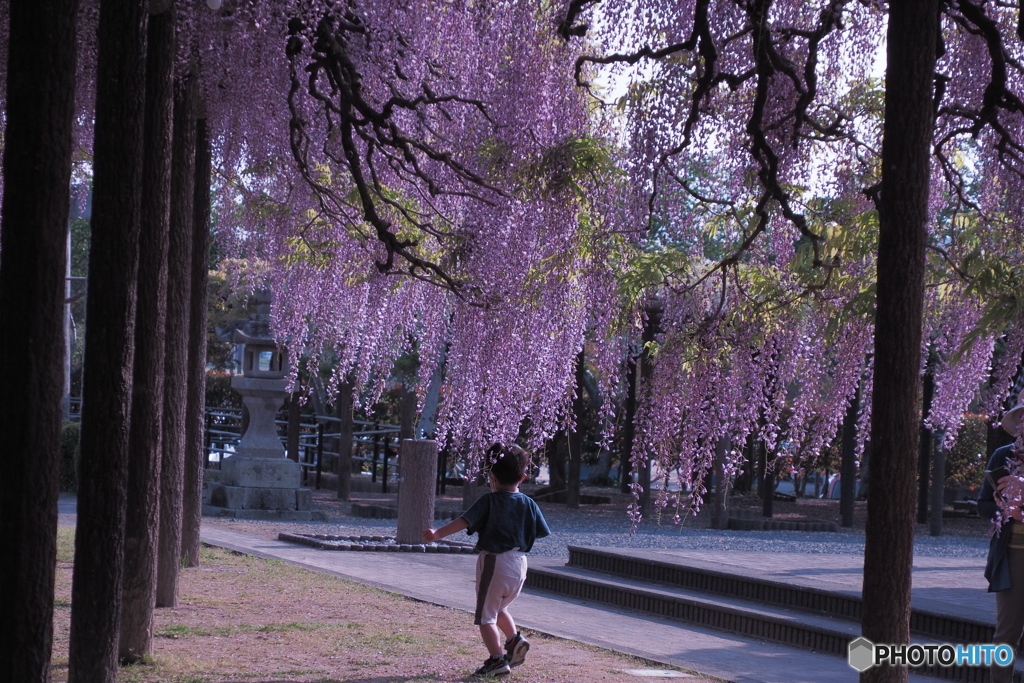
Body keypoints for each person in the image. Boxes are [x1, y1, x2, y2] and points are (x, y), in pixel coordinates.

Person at [422, 443, 551, 677]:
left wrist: (437, 534)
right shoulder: (529, 503)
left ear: (491, 476)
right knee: (500, 607)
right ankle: (514, 641)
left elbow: (464, 521)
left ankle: (497, 660)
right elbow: (541, 531)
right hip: (520, 564)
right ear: (522, 477)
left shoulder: (489, 501)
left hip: (495, 562)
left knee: (486, 615)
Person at [978, 391, 1024, 683]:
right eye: (1022, 417)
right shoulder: (1003, 455)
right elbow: (982, 505)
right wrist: (999, 505)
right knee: (1006, 633)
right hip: (1012, 553)